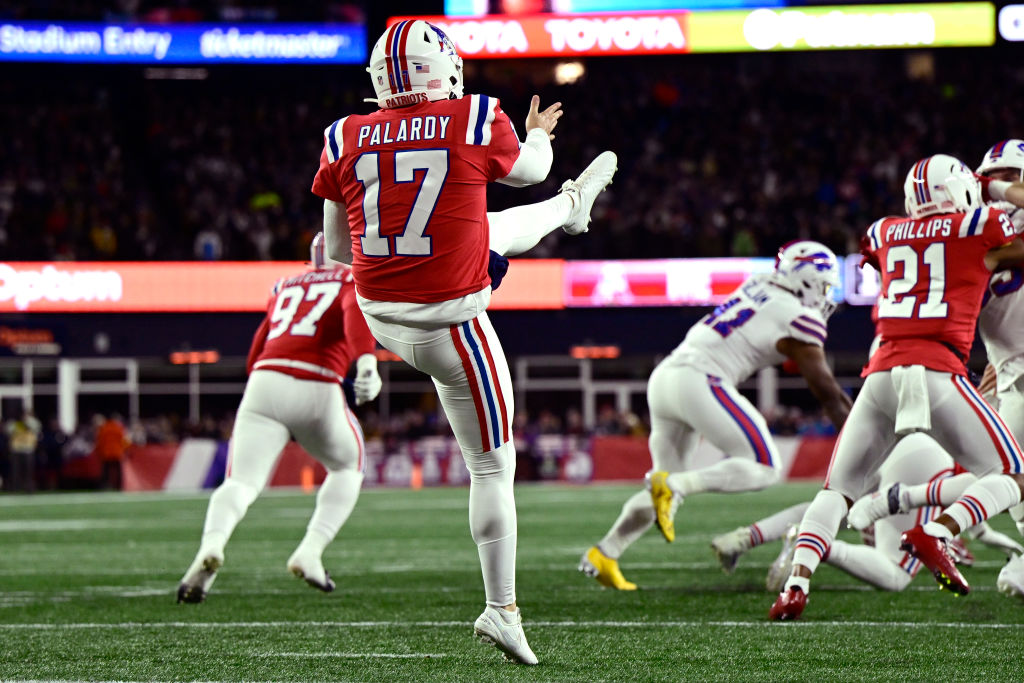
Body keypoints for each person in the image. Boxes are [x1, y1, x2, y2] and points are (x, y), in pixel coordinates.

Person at [311, 19, 617, 666]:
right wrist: (537, 133)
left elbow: (338, 250)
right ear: (441, 68)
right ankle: (501, 608)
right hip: (453, 324)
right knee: (491, 466)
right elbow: (530, 167)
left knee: (489, 229)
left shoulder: (341, 134)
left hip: (383, 314)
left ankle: (571, 206)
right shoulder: (474, 115)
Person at [770, 155, 1024, 620]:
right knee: (1013, 476)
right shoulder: (979, 224)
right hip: (938, 369)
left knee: (836, 490)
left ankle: (795, 585)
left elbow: (891, 254)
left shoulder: (883, 230)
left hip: (881, 372)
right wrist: (1000, 191)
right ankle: (939, 532)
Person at [579, 240, 852, 591]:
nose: (827, 295)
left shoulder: (759, 283)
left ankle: (605, 552)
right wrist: (858, 440)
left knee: (662, 484)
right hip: (700, 380)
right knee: (764, 466)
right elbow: (827, 392)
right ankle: (677, 485)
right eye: (825, 285)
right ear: (807, 280)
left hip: (666, 377)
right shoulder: (797, 316)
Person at [178, 234, 381, 603]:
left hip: (264, 380)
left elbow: (256, 348)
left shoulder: (285, 285)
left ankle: (209, 548)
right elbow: (355, 317)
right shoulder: (351, 280)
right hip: (315, 382)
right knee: (348, 466)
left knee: (240, 482)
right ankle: (311, 550)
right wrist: (367, 363)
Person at [6, 407, 41, 492]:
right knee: (16, 471)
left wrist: (27, 422)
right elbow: (8, 431)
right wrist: (20, 424)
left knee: (28, 471)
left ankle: (29, 487)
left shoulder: (33, 422)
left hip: (28, 449)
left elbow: (37, 429)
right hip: (16, 450)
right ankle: (15, 487)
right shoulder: (14, 423)